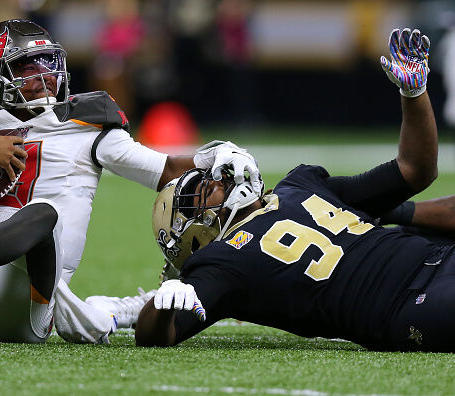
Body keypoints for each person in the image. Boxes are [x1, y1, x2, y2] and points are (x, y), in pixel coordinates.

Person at [0, 19, 260, 344]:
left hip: (19, 308)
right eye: (27, 67)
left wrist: (213, 155)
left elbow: (163, 170)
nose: (45, 76)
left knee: (42, 217)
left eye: (47, 63)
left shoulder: (84, 126)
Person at [135, 28, 455, 353]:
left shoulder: (300, 182)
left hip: (438, 256)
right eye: (201, 190)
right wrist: (163, 304)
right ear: (196, 232)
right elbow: (154, 335)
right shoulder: (221, 262)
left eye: (207, 177)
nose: (216, 179)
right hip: (412, 304)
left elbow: (415, 170)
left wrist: (413, 93)